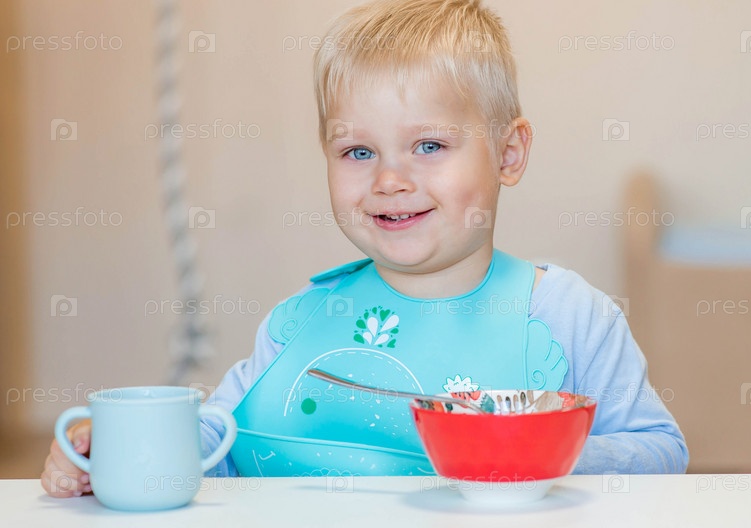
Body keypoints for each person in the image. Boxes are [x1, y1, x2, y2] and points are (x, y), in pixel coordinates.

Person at [42, 0, 688, 496]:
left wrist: (545, 454)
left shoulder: (569, 316)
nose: (389, 179)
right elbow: (220, 438)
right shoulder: (301, 318)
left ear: (508, 153)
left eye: (429, 145)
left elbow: (660, 451)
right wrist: (117, 450)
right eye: (357, 151)